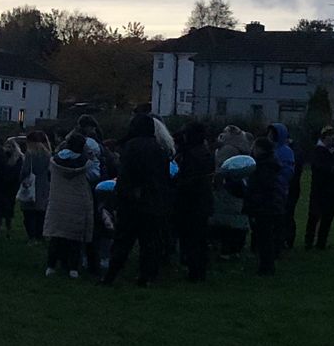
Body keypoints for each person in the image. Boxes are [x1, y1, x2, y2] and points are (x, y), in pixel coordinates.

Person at [103, 115, 171, 287]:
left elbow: (125, 175)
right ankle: (146, 277)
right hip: (153, 201)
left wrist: (122, 195)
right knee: (150, 243)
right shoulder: (160, 148)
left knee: (122, 241)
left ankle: (111, 275)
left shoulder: (131, 147)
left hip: (131, 202)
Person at [42, 135, 94, 278]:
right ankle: (73, 268)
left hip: (57, 203)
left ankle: (51, 266)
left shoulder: (55, 161)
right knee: (74, 238)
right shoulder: (85, 163)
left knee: (56, 237)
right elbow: (95, 174)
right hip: (77, 203)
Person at [171, 121, 214, 283]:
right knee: (199, 239)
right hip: (202, 201)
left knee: (192, 239)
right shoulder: (204, 152)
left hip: (191, 203)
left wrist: (176, 182)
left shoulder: (191, 154)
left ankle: (194, 271)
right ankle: (198, 270)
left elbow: (188, 179)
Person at [242, 134, 286, 275]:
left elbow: (260, 186)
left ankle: (266, 267)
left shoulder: (263, 166)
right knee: (265, 236)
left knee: (264, 237)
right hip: (268, 204)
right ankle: (266, 265)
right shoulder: (269, 163)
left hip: (264, 206)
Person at [209, 123, 254, 258]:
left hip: (226, 187)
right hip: (240, 187)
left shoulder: (227, 149)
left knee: (225, 218)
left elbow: (220, 169)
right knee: (238, 218)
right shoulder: (244, 147)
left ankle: (225, 248)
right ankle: (236, 248)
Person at [303, 125, 334, 250]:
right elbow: (319, 169)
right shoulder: (318, 151)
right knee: (314, 216)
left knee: (327, 218)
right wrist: (333, 171)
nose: (332, 139)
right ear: (324, 138)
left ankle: (321, 243)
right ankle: (309, 242)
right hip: (319, 190)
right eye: (330, 136)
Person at [266, 123, 300, 249]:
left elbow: (288, 172)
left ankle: (281, 242)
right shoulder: (271, 149)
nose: (269, 136)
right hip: (271, 189)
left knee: (281, 218)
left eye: (271, 134)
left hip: (279, 190)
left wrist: (275, 180)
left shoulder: (286, 151)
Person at [20, 132, 51, 242]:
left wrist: (21, 179)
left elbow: (25, 170)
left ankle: (31, 236)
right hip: (43, 185)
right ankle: (40, 235)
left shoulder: (30, 154)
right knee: (40, 213)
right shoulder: (48, 154)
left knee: (28, 214)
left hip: (30, 184)